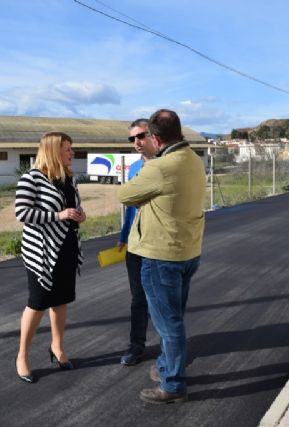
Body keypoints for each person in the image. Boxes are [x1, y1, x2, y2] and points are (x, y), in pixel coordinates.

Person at [117, 109, 206, 404]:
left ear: (154, 137)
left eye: (144, 136)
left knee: (169, 326)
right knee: (174, 316)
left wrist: (147, 174)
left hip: (160, 255)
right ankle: (167, 368)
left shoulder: (158, 167)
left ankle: (172, 384)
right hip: (187, 252)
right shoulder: (193, 160)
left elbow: (125, 195)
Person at [14, 131, 87, 384]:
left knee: (61, 300)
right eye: (67, 149)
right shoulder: (31, 178)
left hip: (66, 248)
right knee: (38, 302)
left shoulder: (70, 179)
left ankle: (57, 347)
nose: (71, 153)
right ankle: (22, 355)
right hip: (41, 252)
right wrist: (59, 215)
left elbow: (74, 208)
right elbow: (22, 213)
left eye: (71, 148)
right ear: (54, 151)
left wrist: (79, 214)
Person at [118, 119, 158, 366]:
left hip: (159, 244)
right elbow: (129, 208)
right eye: (132, 139)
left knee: (162, 299)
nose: (136, 143)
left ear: (154, 136)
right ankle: (136, 346)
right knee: (138, 299)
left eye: (141, 136)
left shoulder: (166, 166)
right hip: (135, 244)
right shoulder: (133, 169)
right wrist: (123, 236)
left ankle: (171, 349)